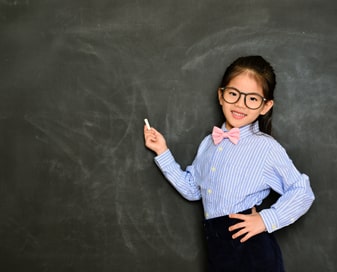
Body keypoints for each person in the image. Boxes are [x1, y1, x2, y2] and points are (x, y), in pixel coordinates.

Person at [143, 55, 315, 272]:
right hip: (217, 247)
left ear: (265, 106)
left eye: (252, 99)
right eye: (233, 94)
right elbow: (193, 190)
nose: (240, 104)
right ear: (221, 95)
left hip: (250, 249)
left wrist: (265, 219)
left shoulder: (265, 147)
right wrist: (162, 151)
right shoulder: (208, 143)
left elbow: (302, 191)